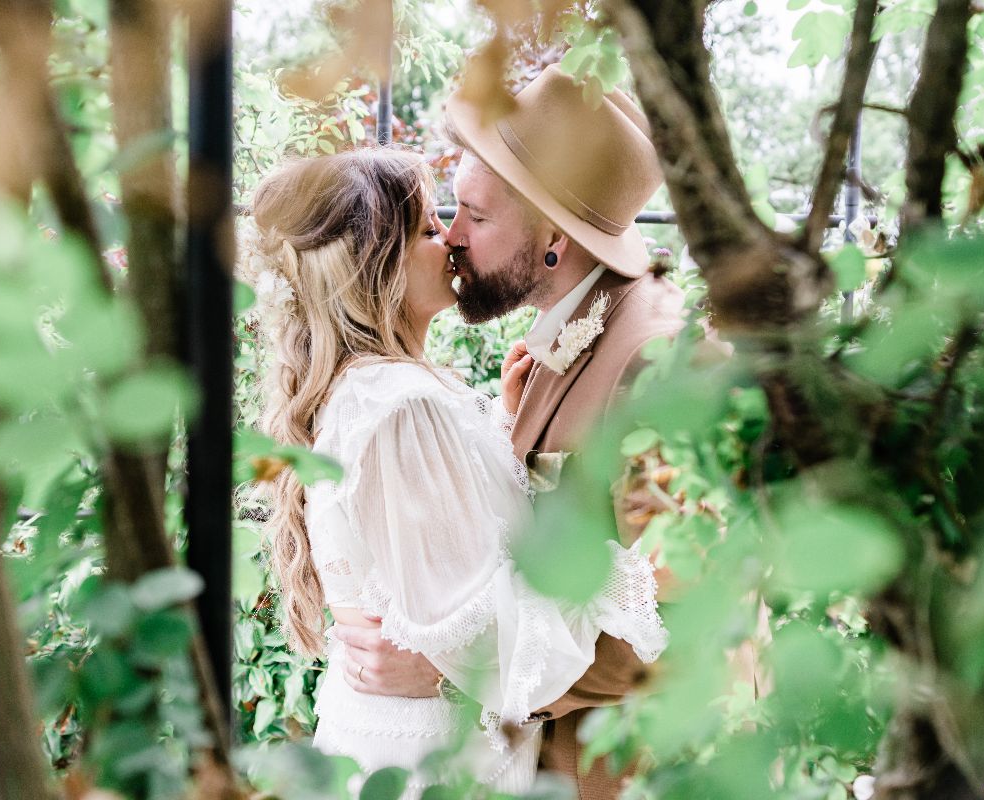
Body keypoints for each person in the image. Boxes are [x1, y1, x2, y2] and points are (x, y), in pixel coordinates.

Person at [248, 147, 667, 797]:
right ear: (378, 268)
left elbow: (449, 546)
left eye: (462, 217)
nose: (450, 239)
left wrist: (503, 433)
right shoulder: (399, 405)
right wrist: (629, 575)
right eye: (428, 228)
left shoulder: (379, 393)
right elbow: (486, 632)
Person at [335, 64, 688, 800]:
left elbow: (678, 610)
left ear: (553, 235)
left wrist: (454, 669)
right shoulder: (559, 339)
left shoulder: (656, 363)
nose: (451, 237)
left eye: (475, 216)